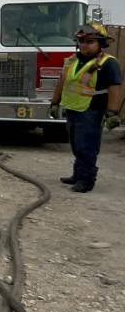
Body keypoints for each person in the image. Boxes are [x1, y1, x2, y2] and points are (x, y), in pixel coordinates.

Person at [48, 23, 121, 193]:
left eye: (89, 41)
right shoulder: (73, 60)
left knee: (86, 146)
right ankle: (77, 174)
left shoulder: (108, 63)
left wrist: (112, 113)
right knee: (75, 144)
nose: (84, 45)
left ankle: (86, 180)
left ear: (101, 44)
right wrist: (54, 102)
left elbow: (115, 88)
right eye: (81, 41)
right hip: (73, 108)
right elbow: (62, 82)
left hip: (92, 111)